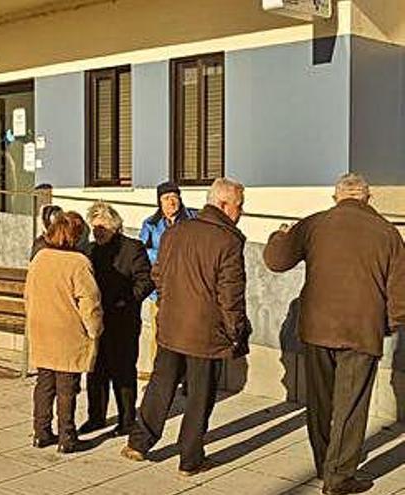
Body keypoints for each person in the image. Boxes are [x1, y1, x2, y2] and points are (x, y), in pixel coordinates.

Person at [263, 173, 404, 495]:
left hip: (317, 328)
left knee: (321, 401)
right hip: (361, 330)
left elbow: (275, 260)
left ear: (336, 198)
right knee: (350, 406)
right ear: (367, 199)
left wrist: (278, 235)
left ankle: (325, 462)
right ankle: (338, 477)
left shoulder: (315, 224)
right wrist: (390, 324)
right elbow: (400, 292)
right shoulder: (387, 232)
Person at [122, 177, 249, 477]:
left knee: (160, 384)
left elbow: (159, 276)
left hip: (172, 324)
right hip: (207, 332)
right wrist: (236, 332)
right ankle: (190, 458)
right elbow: (230, 294)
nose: (241, 212)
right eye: (238, 206)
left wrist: (167, 306)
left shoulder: (175, 233)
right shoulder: (228, 240)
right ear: (222, 204)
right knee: (199, 395)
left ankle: (139, 443)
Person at [25, 211, 103, 453]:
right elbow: (90, 302)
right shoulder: (78, 263)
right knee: (67, 385)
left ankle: (41, 431)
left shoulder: (40, 258)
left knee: (45, 382)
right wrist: (95, 330)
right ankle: (67, 437)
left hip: (42, 327)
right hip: (68, 331)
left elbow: (28, 293)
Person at [80, 202, 153, 437]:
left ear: (114, 226)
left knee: (123, 371)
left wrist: (127, 300)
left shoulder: (132, 248)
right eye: (94, 228)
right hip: (96, 320)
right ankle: (96, 417)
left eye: (101, 227)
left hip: (123, 320)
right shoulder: (89, 251)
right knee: (96, 371)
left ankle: (126, 419)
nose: (97, 232)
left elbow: (146, 280)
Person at [139, 181, 197, 375]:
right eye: (166, 198)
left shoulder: (193, 220)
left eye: (175, 197)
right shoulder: (151, 224)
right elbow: (143, 253)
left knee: (189, 334)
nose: (171, 202)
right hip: (160, 291)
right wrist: (165, 257)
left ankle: (187, 376)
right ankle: (159, 375)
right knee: (160, 333)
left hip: (188, 289)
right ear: (159, 202)